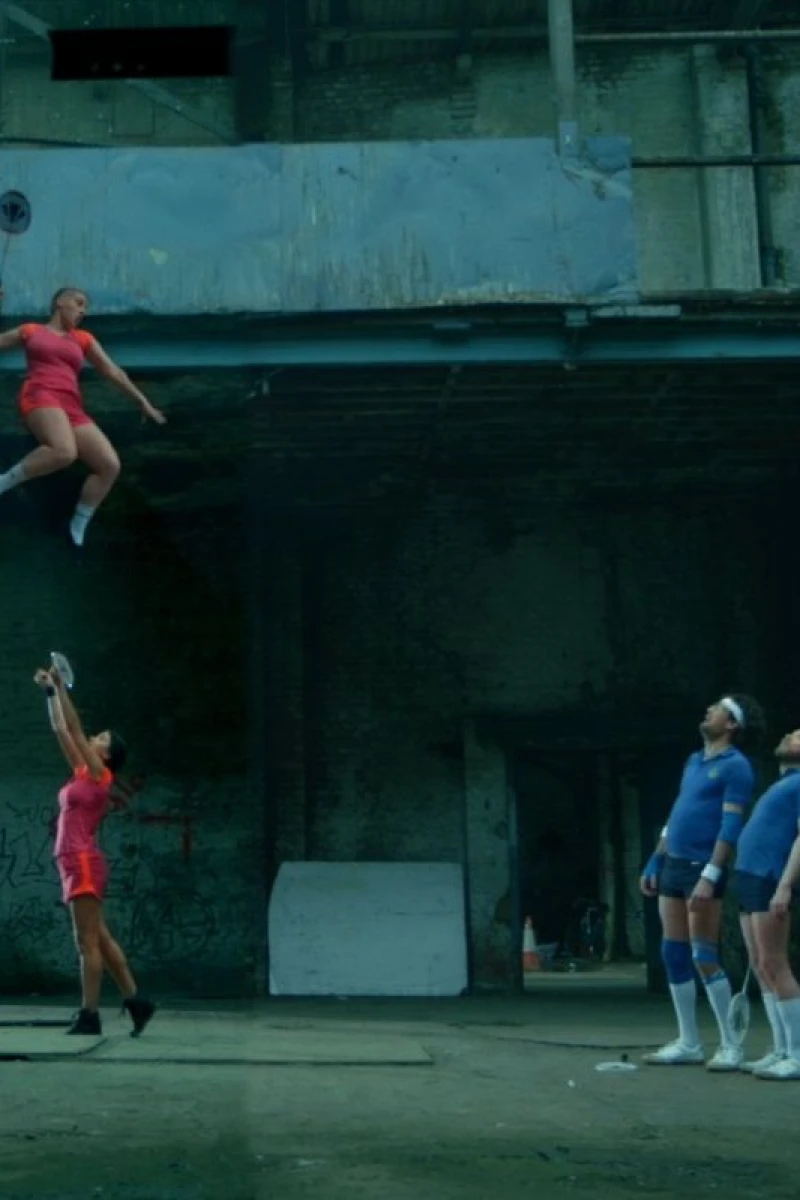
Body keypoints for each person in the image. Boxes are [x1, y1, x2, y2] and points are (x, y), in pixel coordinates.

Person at [640, 694, 766, 1071]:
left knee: (704, 956)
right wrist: (656, 858)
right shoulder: (694, 761)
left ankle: (731, 1045)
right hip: (674, 865)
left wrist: (711, 874)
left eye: (718, 708)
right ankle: (689, 1042)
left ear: (732, 724)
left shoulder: (736, 766)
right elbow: (677, 814)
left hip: (701, 867)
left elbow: (731, 824)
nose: (708, 710)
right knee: (672, 952)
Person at [34, 661, 155, 1037]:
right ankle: (137, 1001)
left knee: (86, 942)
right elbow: (61, 728)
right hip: (73, 860)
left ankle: (90, 1015)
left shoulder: (102, 776)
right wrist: (51, 692)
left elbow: (73, 727)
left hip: (82, 861)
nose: (93, 737)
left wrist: (62, 688)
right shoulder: (83, 773)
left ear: (105, 755)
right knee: (99, 935)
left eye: (100, 738)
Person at [0, 286, 166, 545]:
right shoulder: (32, 330)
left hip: (71, 405)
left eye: (85, 307)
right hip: (40, 393)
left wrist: (143, 402)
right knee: (64, 451)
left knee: (109, 465)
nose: (83, 311)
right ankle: (3, 482)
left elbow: (113, 371)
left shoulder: (83, 338)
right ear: (59, 302)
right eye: (78, 303)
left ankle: (78, 525)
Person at [734, 727, 800, 1080]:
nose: (789, 735)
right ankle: (780, 1048)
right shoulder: (783, 783)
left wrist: (785, 885)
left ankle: (797, 1054)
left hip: (769, 877)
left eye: (798, 736)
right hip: (750, 876)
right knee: (760, 964)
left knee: (775, 962)